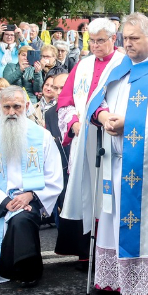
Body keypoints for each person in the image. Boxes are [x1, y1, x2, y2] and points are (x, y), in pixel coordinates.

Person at [66, 13, 148, 295]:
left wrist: (129, 123)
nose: (128, 43)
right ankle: (119, 281)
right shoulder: (120, 66)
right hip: (114, 159)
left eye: (135, 38)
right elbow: (97, 99)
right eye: (125, 38)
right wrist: (104, 115)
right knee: (113, 220)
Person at [0, 86, 64, 285]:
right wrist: (5, 201)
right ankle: (19, 269)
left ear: (26, 105)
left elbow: (54, 175)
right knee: (14, 218)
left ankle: (27, 271)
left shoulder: (42, 136)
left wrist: (30, 195)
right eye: (6, 107)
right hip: (0, 200)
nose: (12, 112)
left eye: (17, 106)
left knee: (21, 220)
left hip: (32, 197)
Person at [56, 19, 124, 263]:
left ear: (113, 39)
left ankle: (109, 253)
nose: (95, 46)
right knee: (85, 190)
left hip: (111, 137)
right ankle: (86, 252)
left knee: (108, 193)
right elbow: (65, 100)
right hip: (83, 136)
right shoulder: (82, 65)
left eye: (100, 41)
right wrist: (73, 122)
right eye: (91, 41)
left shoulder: (123, 63)